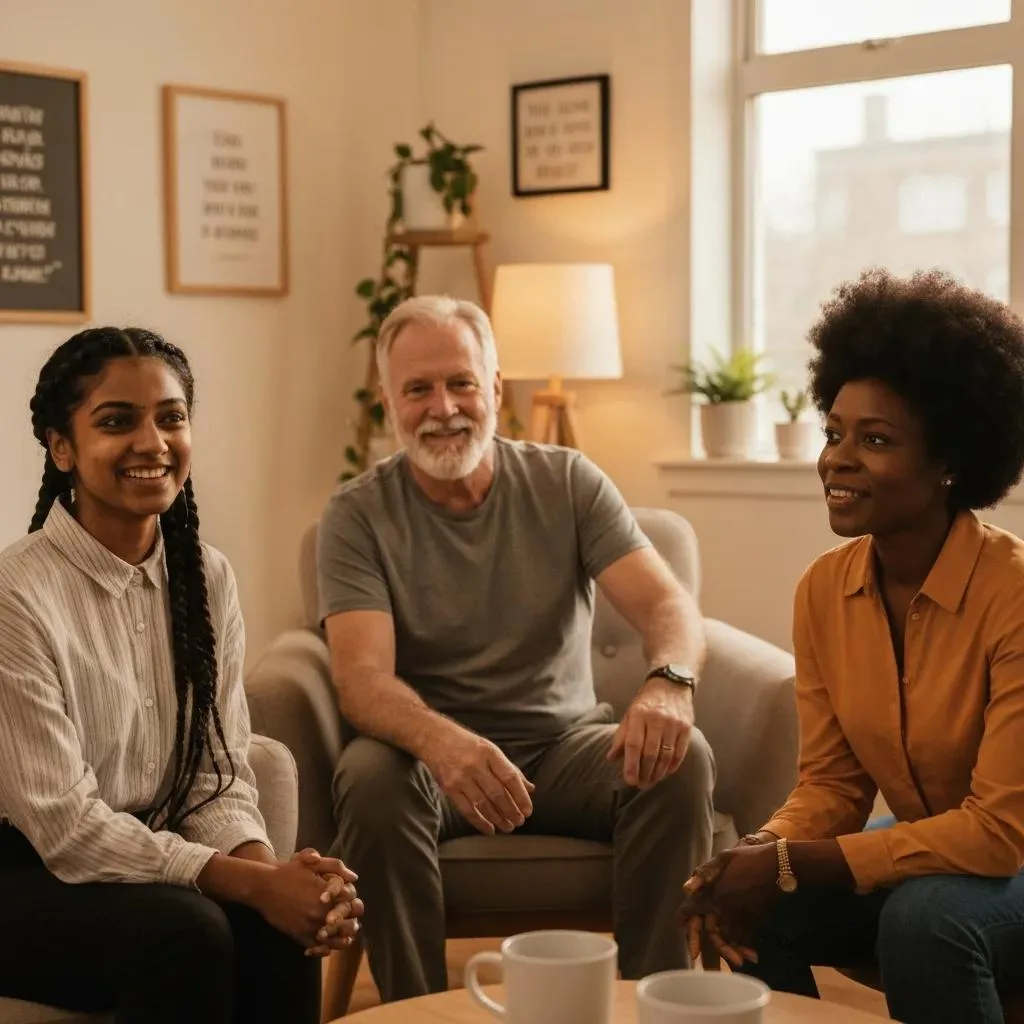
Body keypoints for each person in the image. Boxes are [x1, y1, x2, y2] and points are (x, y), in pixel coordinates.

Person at [317, 294, 715, 1002]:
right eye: (418, 389)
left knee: (680, 760)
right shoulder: (356, 514)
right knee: (370, 779)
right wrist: (445, 744)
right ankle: (417, 1014)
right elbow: (361, 677)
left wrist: (669, 682)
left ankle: (651, 1000)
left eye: (461, 382)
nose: (443, 407)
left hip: (565, 749)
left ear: (496, 389)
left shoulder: (568, 481)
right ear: (387, 403)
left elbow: (666, 604)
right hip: (428, 761)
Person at [677, 268, 1024, 1024]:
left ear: (950, 462)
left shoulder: (1014, 595)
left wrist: (788, 862)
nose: (837, 458)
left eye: (876, 440)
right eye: (834, 433)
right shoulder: (824, 591)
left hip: (1011, 858)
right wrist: (759, 852)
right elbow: (834, 786)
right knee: (758, 901)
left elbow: (999, 835)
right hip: (940, 852)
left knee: (925, 920)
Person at [0, 327, 364, 1024]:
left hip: (148, 861)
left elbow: (214, 778)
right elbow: (66, 830)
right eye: (117, 421)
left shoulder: (205, 578)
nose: (153, 442)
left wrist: (277, 879)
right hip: (25, 871)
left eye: (171, 417)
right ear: (61, 447)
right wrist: (251, 883)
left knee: (278, 929)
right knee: (186, 934)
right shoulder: (15, 594)